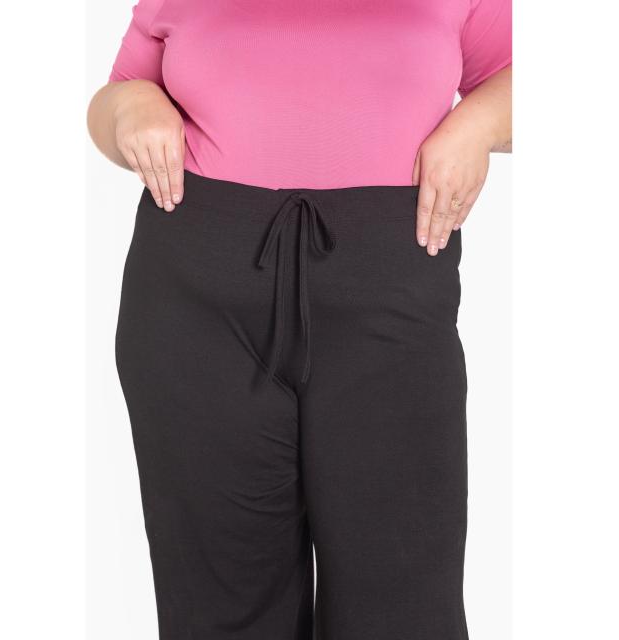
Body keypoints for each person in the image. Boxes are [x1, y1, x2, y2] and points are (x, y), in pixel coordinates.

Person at [87, 1, 512, 638]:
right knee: (219, 604)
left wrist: (475, 124)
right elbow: (113, 99)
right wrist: (131, 106)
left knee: (402, 601)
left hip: (390, 297)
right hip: (195, 305)